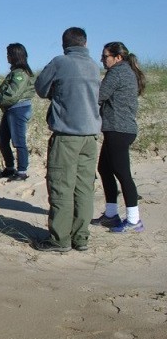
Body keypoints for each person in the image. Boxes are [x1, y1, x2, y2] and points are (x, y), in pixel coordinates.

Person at [34, 27, 102, 252]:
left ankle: (59, 239)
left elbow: (41, 88)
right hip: (90, 137)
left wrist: (57, 92)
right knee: (84, 188)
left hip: (67, 136)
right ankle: (80, 238)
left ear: (65, 44)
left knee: (61, 186)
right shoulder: (94, 65)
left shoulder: (60, 62)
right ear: (85, 43)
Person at [96, 42, 147, 233]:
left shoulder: (117, 72)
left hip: (119, 129)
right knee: (105, 168)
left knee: (122, 173)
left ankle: (134, 219)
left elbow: (99, 96)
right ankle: (111, 214)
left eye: (105, 56)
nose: (102, 60)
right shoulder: (126, 71)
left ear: (118, 57)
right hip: (119, 129)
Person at [0, 43, 36, 181]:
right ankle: (10, 167)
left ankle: (22, 170)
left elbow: (12, 95)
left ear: (14, 56)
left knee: (18, 140)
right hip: (11, 109)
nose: (6, 57)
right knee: (1, 139)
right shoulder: (15, 72)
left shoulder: (20, 74)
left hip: (18, 109)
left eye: (8, 54)